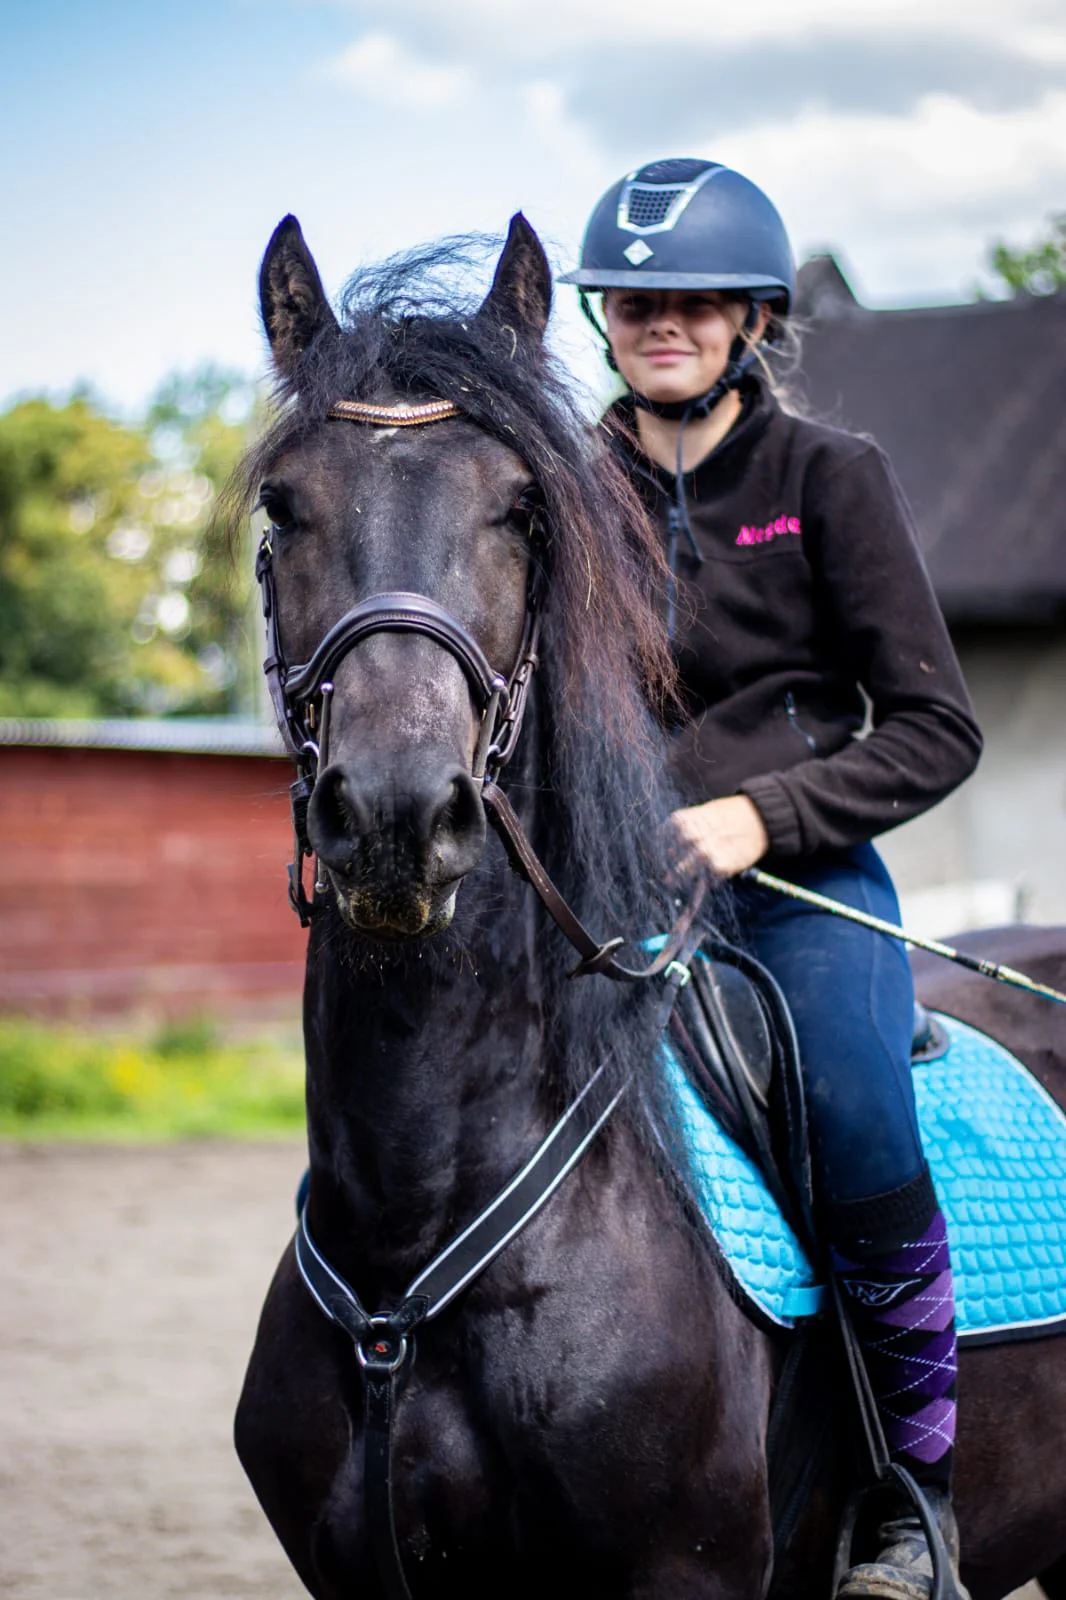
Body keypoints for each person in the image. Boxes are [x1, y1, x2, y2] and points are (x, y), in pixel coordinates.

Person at [559, 158, 982, 1600]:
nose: (656, 319)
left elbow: (937, 727)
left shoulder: (827, 477)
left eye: (691, 297)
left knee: (859, 1120)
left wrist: (761, 814)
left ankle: (909, 1491)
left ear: (750, 315)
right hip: (596, 894)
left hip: (791, 889)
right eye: (629, 297)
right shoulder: (559, 489)